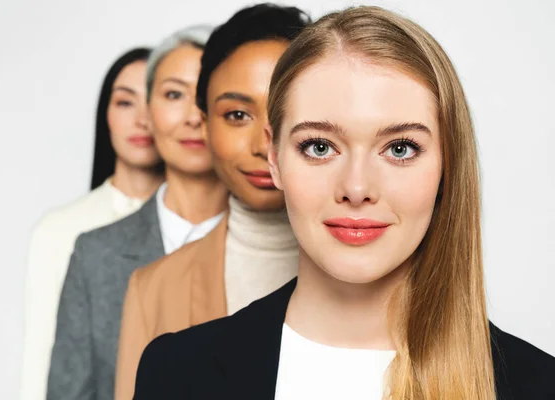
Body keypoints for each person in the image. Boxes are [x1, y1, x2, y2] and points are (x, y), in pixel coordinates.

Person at [133, 6, 555, 400]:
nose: (356, 187)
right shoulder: (175, 373)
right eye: (319, 146)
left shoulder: (537, 385)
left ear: (449, 165)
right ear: (274, 156)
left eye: (401, 149)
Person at [114, 5, 311, 400]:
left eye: (284, 112)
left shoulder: (373, 269)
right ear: (204, 123)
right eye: (237, 114)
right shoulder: (153, 288)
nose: (262, 146)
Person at [47, 25, 228, 400]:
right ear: (149, 110)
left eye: (206, 95)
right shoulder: (95, 253)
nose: (193, 117)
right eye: (174, 94)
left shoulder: (277, 246)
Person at [19, 47, 164, 400]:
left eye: (157, 99)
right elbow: (42, 361)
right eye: (125, 102)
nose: (141, 119)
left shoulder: (206, 223)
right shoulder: (61, 231)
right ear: (106, 115)